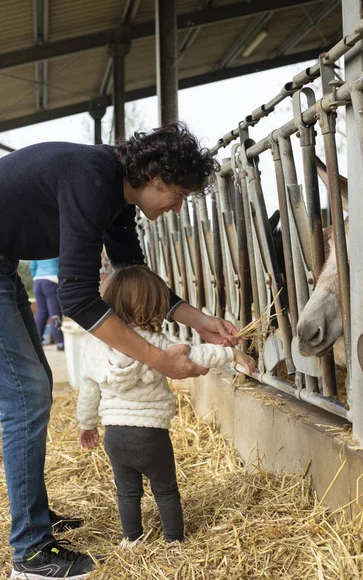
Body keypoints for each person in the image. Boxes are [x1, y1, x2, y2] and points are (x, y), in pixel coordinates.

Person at [0, 123, 242, 579]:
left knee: (34, 389)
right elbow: (78, 296)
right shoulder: (91, 181)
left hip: (3, 263)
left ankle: (35, 519)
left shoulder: (114, 191)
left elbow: (134, 280)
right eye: (180, 194)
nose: (177, 206)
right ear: (156, 178)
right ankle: (30, 555)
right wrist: (158, 358)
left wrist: (200, 321)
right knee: (26, 397)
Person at [77, 266, 255, 545]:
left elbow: (88, 392)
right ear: (152, 308)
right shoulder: (157, 344)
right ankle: (174, 540)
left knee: (126, 492)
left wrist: (86, 425)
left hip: (115, 436)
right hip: (151, 435)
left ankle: (131, 540)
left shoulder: (95, 347)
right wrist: (232, 353)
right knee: (166, 491)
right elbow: (200, 353)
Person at [30, 258, 64, 350]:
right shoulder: (57, 244)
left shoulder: (36, 248)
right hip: (52, 280)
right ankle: (60, 342)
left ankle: (37, 342)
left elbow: (32, 266)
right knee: (55, 313)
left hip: (38, 281)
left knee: (41, 313)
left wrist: (36, 276)